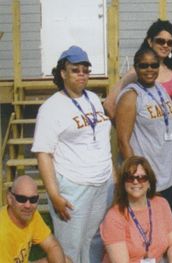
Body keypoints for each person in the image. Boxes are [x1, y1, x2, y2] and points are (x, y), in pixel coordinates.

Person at [31, 46, 114, 263]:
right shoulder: (51, 108)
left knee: (91, 241)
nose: (81, 74)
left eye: (85, 70)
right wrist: (55, 195)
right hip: (73, 188)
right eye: (75, 69)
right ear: (62, 73)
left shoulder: (94, 99)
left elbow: (103, 140)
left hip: (101, 184)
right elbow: (43, 154)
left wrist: (112, 176)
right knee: (69, 248)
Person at [100, 156, 172, 263]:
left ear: (149, 182)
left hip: (157, 260)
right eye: (130, 178)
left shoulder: (161, 204)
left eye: (142, 178)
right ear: (123, 183)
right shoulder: (114, 216)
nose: (136, 182)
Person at [115, 47, 172, 204]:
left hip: (166, 175)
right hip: (146, 178)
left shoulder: (159, 88)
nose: (149, 69)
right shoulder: (131, 95)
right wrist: (138, 177)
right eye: (144, 65)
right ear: (136, 67)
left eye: (154, 65)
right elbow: (123, 141)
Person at [104, 19, 172, 120]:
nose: (165, 45)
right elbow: (109, 104)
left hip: (171, 132)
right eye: (160, 41)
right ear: (150, 42)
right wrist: (125, 130)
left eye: (170, 42)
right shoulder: (137, 72)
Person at [0, 175, 71, 263]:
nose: (28, 205)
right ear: (10, 199)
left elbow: (52, 246)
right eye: (21, 199)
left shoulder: (31, 215)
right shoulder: (3, 233)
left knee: (65, 261)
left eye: (33, 199)